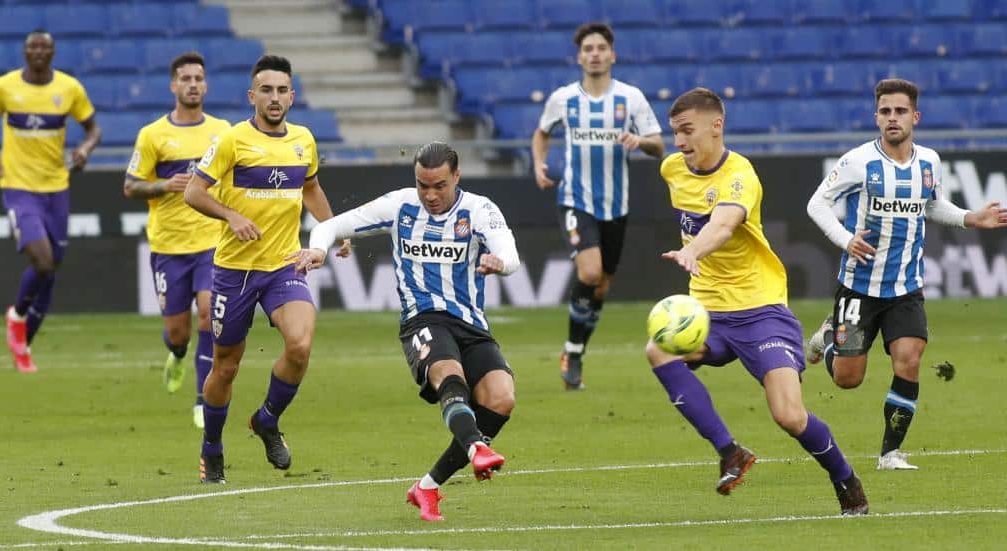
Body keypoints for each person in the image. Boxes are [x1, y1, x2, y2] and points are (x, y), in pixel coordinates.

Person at [652, 88, 868, 515]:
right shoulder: (672, 169)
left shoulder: (740, 176)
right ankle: (729, 451)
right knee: (658, 349)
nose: (679, 141)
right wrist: (640, 141)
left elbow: (725, 223)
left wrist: (693, 251)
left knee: (789, 416)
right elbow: (662, 158)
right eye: (674, 132)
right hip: (709, 312)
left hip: (760, 311)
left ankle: (845, 478)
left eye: (687, 130)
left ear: (717, 126)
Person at [288, 142, 519, 522]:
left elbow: (510, 253)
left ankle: (427, 487)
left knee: (501, 398)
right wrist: (319, 250)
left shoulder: (480, 210)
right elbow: (329, 226)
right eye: (422, 185)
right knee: (449, 374)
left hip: (472, 324)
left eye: (439, 186)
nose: (429, 195)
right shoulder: (399, 206)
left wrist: (499, 263)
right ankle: (477, 447)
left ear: (457, 177)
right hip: (421, 319)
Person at [805, 78, 1007, 470]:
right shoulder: (859, 161)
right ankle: (827, 338)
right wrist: (846, 239)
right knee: (848, 379)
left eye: (899, 111)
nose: (892, 118)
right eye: (885, 112)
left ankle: (890, 453)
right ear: (876, 117)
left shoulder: (929, 161)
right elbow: (817, 204)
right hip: (859, 286)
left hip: (906, 287)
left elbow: (933, 205)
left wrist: (970, 218)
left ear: (915, 116)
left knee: (909, 359)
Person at [183, 55, 348, 483]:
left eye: (282, 90)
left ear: (292, 96)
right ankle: (212, 448)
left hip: (283, 265)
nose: (274, 99)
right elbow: (194, 193)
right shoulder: (233, 141)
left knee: (300, 344)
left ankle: (267, 419)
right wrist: (230, 216)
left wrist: (334, 231)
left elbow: (310, 187)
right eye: (266, 90)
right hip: (234, 271)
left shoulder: (304, 140)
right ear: (252, 96)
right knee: (226, 367)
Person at [531, 22, 664, 390]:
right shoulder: (563, 98)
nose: (594, 54)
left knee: (601, 286)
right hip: (575, 198)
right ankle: (572, 355)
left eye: (600, 48)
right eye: (587, 48)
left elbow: (658, 145)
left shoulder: (630, 98)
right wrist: (539, 163)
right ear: (579, 57)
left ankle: (574, 351)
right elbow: (542, 133)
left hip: (615, 205)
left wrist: (640, 140)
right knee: (590, 273)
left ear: (612, 55)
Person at [0, 29, 101, 373]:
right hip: (19, 186)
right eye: (32, 46)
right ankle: (17, 317)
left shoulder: (69, 89)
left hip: (57, 186)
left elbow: (94, 129)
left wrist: (84, 149)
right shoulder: (3, 88)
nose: (37, 51)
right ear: (24, 52)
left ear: (52, 53)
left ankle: (24, 344)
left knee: (51, 269)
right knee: (43, 260)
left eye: (44, 46)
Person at [124, 52, 231, 428]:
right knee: (177, 330)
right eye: (185, 79)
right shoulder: (153, 135)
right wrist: (164, 185)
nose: (192, 84)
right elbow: (130, 185)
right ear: (173, 86)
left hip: (210, 243)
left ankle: (203, 398)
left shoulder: (222, 132)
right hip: (169, 248)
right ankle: (178, 354)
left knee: (207, 314)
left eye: (198, 78)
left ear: (205, 84)